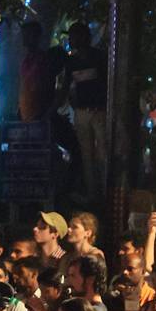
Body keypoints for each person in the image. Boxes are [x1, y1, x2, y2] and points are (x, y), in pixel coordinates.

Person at [63, 23, 107, 202]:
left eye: (74, 36)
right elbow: (67, 87)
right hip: (81, 112)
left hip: (98, 111)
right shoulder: (71, 62)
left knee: (102, 154)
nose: (71, 40)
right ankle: (92, 194)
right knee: (86, 155)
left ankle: (104, 192)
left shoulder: (98, 57)